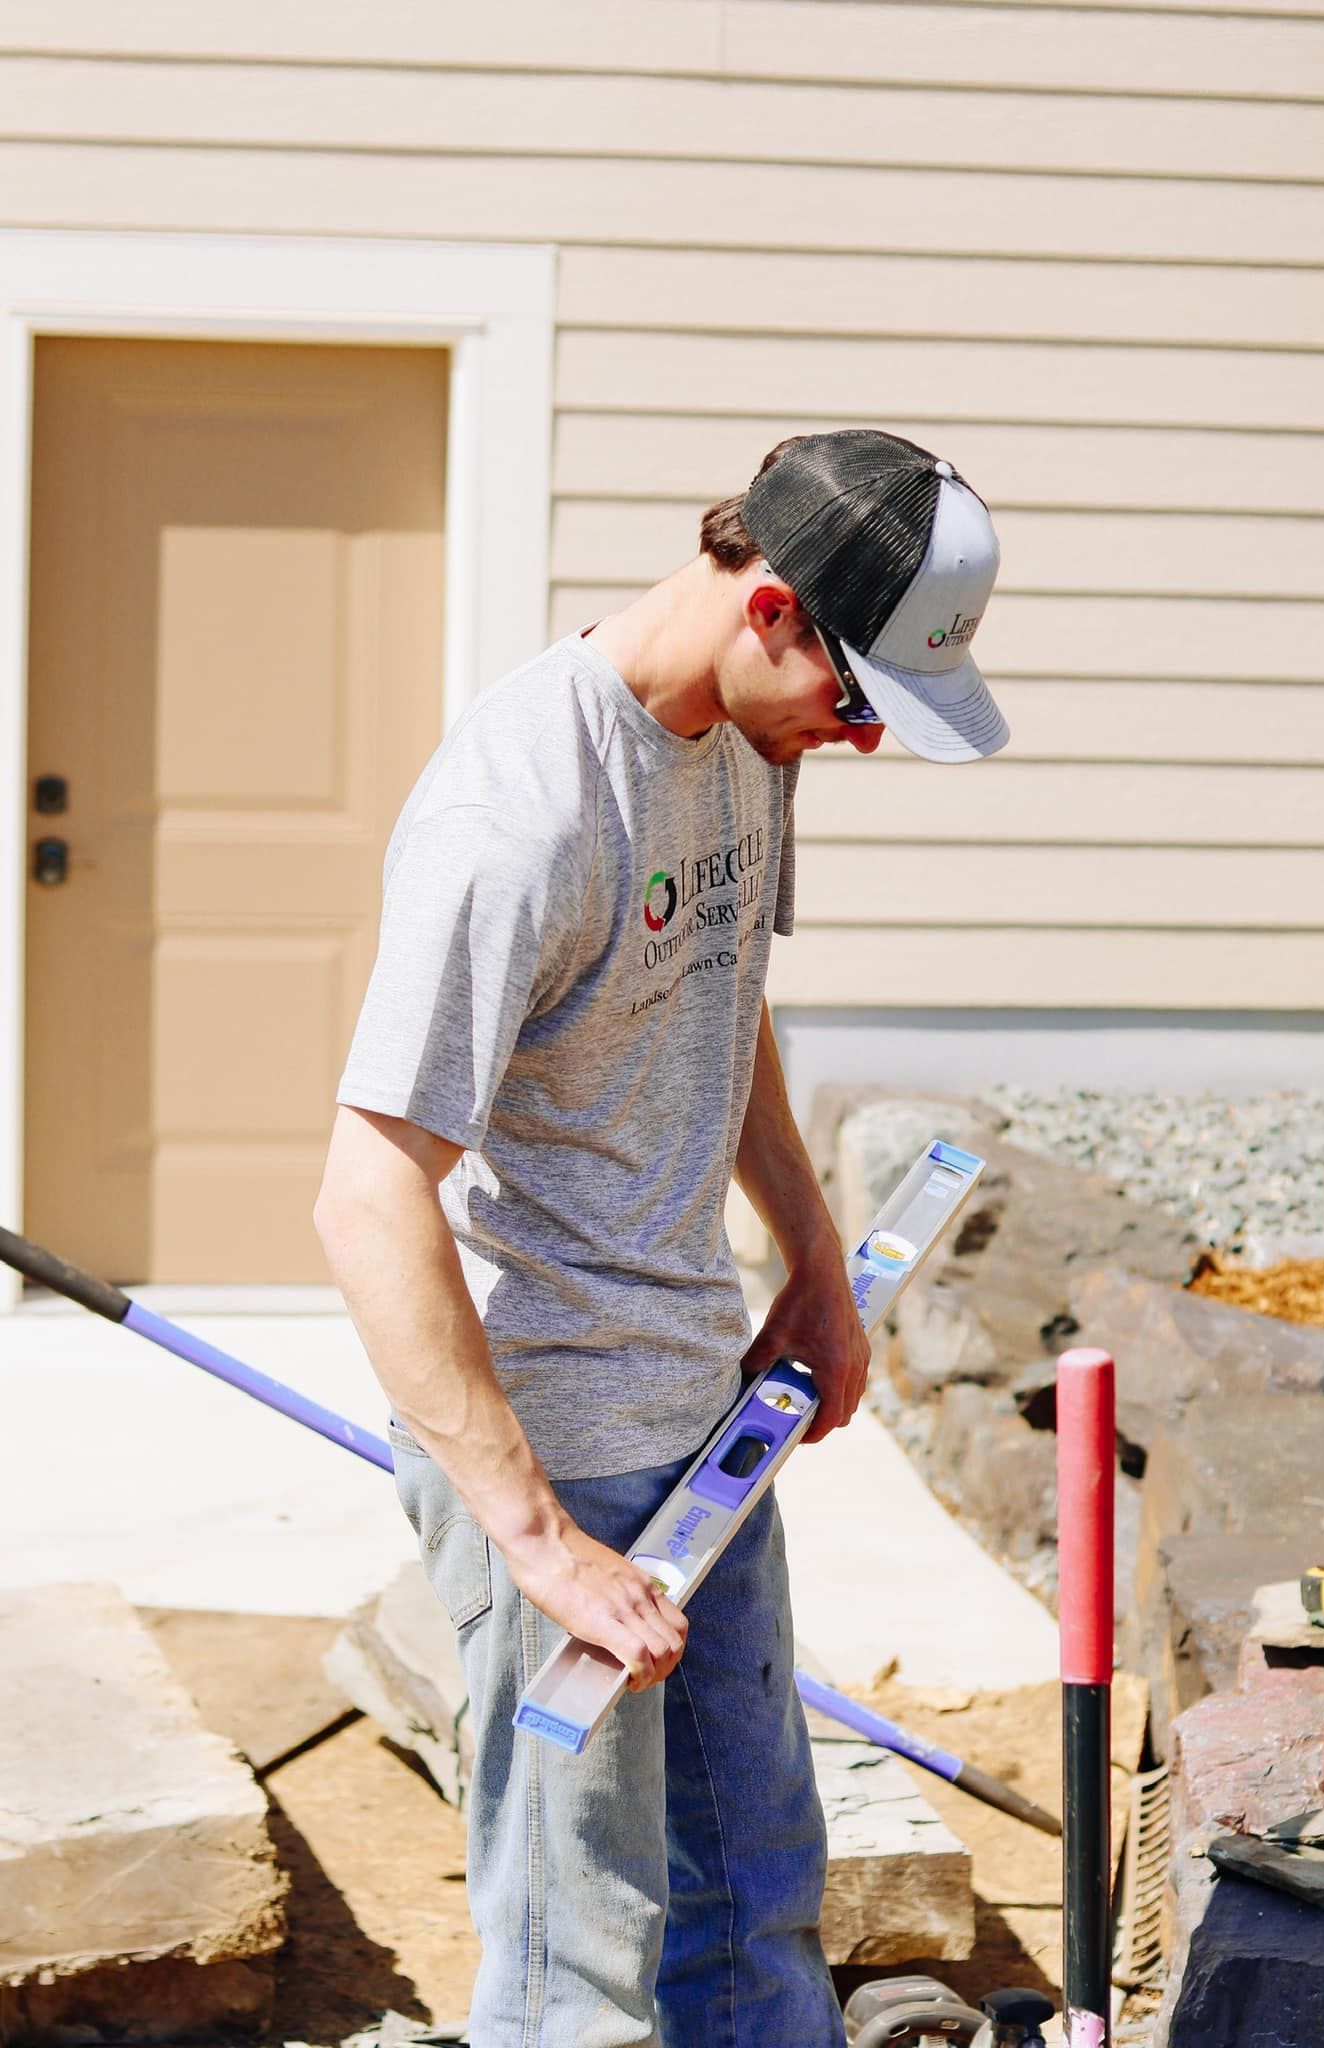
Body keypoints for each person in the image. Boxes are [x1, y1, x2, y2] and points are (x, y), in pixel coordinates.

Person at [314, 429, 1010, 2048]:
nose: (861, 743)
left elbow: (720, 1000)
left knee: (756, 1891)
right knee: (584, 1965)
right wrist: (539, 1543)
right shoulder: (518, 813)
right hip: (552, 1444)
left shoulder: (744, 751)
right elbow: (365, 1193)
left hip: (703, 1410)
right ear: (770, 607)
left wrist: (818, 1266)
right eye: (856, 704)